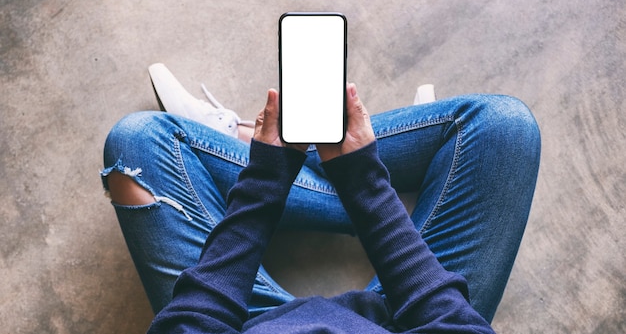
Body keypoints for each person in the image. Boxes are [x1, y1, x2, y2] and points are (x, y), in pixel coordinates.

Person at [101, 64, 541, 333]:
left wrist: (264, 184)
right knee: (504, 128)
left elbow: (192, 324)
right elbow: (453, 326)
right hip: (408, 318)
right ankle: (385, 200)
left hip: (242, 320)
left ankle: (245, 140)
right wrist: (367, 190)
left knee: (136, 144)